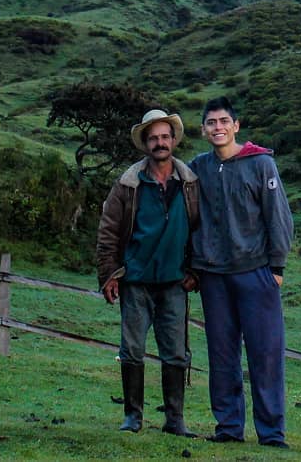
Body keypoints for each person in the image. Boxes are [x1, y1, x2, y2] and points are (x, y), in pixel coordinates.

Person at [190, 96, 294, 448]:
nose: (217, 127)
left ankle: (272, 433)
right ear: (203, 130)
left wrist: (276, 268)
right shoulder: (198, 168)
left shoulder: (261, 164)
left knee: (265, 354)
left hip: (256, 273)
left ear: (236, 126)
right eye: (211, 123)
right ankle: (229, 428)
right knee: (221, 355)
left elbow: (278, 217)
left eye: (223, 121)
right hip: (213, 276)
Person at [96, 109, 199, 435]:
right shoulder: (128, 183)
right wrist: (108, 274)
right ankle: (133, 416)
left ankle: (175, 419)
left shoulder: (190, 183)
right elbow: (108, 230)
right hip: (136, 280)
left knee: (176, 352)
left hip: (174, 281)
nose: (160, 143)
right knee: (132, 349)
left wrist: (197, 270)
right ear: (145, 143)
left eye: (165, 137)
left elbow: (202, 230)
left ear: (173, 140)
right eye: (153, 137)